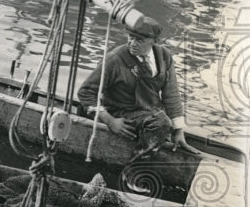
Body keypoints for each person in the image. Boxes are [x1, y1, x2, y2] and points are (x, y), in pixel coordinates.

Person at [77, 16, 199, 155]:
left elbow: (171, 95)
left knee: (162, 123)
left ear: (155, 41)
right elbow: (85, 92)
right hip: (122, 114)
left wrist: (178, 131)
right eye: (130, 37)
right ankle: (135, 168)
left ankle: (143, 152)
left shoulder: (164, 57)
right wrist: (110, 121)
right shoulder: (114, 59)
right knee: (161, 124)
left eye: (140, 40)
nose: (133, 43)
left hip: (149, 114)